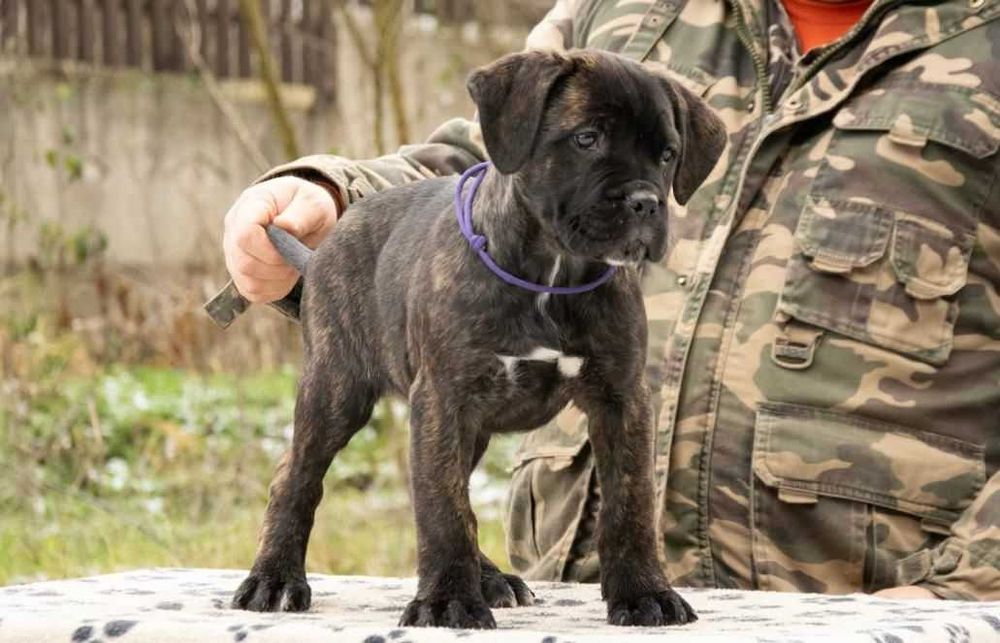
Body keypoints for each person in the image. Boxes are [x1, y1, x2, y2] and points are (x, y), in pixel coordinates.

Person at [216, 0, 999, 600]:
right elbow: (488, 158)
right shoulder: (628, 8)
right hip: (570, 604)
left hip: (862, 613)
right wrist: (335, 192)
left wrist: (955, 601)